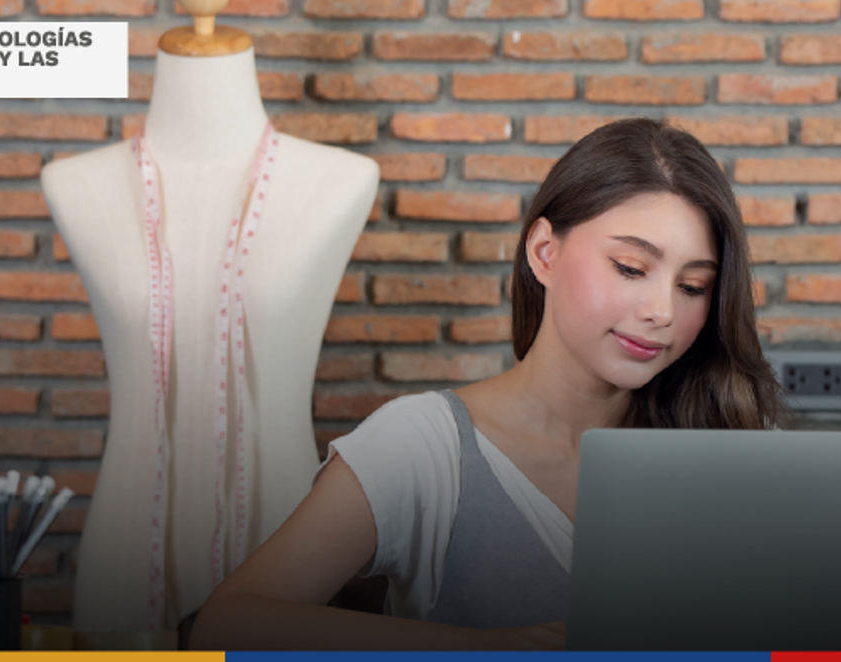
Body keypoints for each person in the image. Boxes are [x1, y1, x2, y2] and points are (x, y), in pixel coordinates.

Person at [188, 117, 793, 650]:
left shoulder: (731, 442)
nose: (663, 309)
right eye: (631, 268)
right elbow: (226, 625)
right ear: (544, 252)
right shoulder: (425, 446)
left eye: (692, 287)